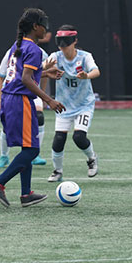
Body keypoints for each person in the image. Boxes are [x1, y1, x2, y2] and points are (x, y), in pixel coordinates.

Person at [0, 8, 65, 208]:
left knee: (27, 147)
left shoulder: (19, 45)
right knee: (32, 150)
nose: (46, 29)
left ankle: (26, 194)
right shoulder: (35, 50)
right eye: (43, 24)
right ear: (36, 27)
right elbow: (26, 79)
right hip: (19, 101)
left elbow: (22, 75)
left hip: (10, 98)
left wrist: (46, 72)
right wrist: (49, 100)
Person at [46, 24, 100, 182]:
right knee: (58, 140)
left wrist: (87, 76)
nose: (63, 48)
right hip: (64, 106)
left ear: (75, 41)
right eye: (60, 43)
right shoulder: (56, 56)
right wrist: (47, 68)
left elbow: (96, 71)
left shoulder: (85, 56)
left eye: (67, 43)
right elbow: (42, 68)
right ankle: (57, 171)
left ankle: (92, 159)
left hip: (84, 105)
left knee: (79, 137)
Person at [0, 46, 49, 168]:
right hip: (14, 92)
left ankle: (35, 154)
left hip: (31, 92)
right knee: (8, 125)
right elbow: (0, 76)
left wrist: (42, 95)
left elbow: (43, 75)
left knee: (39, 117)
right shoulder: (12, 51)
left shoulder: (40, 52)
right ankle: (4, 156)